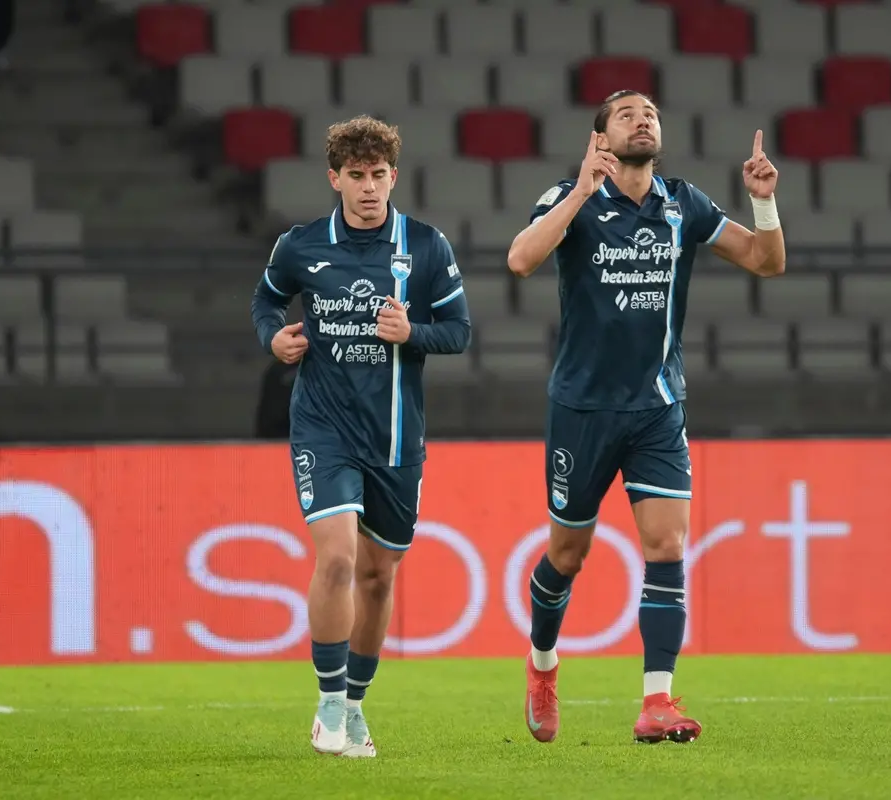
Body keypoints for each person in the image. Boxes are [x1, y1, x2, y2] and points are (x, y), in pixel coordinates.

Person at [506, 89, 785, 744]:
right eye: (627, 114)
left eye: (651, 113)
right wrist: (580, 191)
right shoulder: (568, 198)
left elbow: (766, 261)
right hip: (582, 408)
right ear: (600, 139)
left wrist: (764, 202)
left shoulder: (682, 203)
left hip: (657, 406)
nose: (643, 120)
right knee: (567, 555)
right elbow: (520, 260)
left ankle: (657, 701)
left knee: (666, 547)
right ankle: (542, 663)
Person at [250, 115, 471, 758]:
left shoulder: (426, 246)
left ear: (393, 177)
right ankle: (326, 702)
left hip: (396, 438)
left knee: (377, 576)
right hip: (323, 428)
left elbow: (458, 330)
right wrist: (273, 336)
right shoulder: (300, 246)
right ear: (335, 179)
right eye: (356, 175)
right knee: (339, 558)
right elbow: (266, 301)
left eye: (378, 175)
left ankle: (353, 706)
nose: (368, 187)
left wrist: (413, 333)